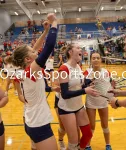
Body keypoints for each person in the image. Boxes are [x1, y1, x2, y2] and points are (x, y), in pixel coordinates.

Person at [9, 13, 58, 150]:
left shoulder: (27, 70)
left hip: (31, 120)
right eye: (32, 51)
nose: (35, 50)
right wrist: (54, 23)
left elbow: (35, 48)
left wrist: (46, 31)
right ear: (27, 59)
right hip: (38, 124)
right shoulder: (31, 71)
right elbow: (48, 47)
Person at [58, 43, 100, 150]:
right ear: (70, 52)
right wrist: (85, 91)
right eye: (77, 48)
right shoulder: (63, 69)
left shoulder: (78, 66)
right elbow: (65, 94)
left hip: (78, 106)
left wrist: (91, 81)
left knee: (87, 135)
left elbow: (80, 83)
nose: (80, 49)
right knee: (73, 143)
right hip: (66, 108)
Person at [84, 52, 113, 150]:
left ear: (101, 59)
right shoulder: (86, 72)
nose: (96, 60)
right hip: (91, 102)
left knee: (105, 124)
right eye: (93, 58)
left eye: (97, 58)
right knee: (91, 126)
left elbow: (110, 87)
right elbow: (82, 87)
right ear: (91, 60)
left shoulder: (107, 72)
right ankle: (88, 145)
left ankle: (108, 145)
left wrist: (112, 91)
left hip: (103, 102)